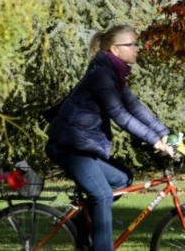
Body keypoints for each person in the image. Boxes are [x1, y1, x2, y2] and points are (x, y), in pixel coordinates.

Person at [45, 25, 174, 251]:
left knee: (122, 178)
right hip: (69, 146)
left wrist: (164, 133)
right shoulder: (101, 75)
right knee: (103, 196)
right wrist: (154, 140)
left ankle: (80, 226)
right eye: (131, 44)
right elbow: (120, 114)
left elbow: (134, 106)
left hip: (83, 146)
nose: (137, 49)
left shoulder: (113, 73)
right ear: (115, 49)